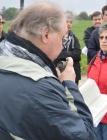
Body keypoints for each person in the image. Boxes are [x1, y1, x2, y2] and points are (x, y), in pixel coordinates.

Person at [0, 2, 94, 140]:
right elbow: (84, 135)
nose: (62, 46)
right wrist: (70, 85)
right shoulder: (41, 87)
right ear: (46, 35)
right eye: (62, 38)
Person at [54, 11, 81, 85]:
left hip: (73, 73)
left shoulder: (74, 38)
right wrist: (70, 54)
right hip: (58, 72)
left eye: (71, 22)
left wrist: (62, 54)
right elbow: (53, 55)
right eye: (66, 21)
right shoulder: (56, 37)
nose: (69, 24)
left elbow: (78, 55)